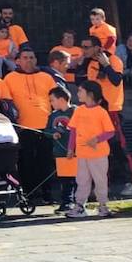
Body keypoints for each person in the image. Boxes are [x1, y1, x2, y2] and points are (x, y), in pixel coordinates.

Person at [78, 37, 132, 197]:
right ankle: (102, 185)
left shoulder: (114, 60)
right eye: (82, 47)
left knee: (118, 147)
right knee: (99, 149)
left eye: (87, 47)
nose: (84, 50)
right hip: (96, 110)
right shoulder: (90, 64)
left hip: (112, 110)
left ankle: (130, 183)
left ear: (97, 48)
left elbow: (117, 80)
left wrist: (106, 65)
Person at [3, 49, 65, 194]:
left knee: (46, 161)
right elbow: (6, 103)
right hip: (22, 126)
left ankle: (48, 193)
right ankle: (29, 194)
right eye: (25, 58)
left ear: (36, 60)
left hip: (46, 126)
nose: (28, 60)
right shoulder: (9, 78)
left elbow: (56, 100)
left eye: (32, 57)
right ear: (17, 61)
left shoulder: (46, 77)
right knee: (26, 162)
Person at [67, 80, 117, 218]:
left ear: (90, 94)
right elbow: (73, 131)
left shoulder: (101, 112)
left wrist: (96, 139)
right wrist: (71, 148)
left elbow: (110, 132)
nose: (78, 94)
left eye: (80, 91)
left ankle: (103, 206)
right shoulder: (79, 110)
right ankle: (79, 206)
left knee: (100, 180)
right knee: (82, 180)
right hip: (82, 154)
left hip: (98, 154)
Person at [46, 85, 78, 213]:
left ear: (61, 99)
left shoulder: (76, 111)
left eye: (52, 100)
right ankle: (66, 202)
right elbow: (47, 130)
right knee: (64, 179)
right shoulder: (53, 115)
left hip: (75, 151)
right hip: (60, 152)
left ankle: (76, 201)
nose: (51, 103)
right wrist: (52, 134)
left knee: (76, 178)